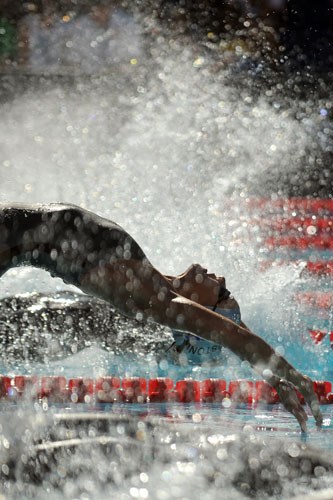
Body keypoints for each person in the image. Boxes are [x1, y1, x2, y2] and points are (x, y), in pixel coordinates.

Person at [0, 202, 322, 432]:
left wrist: (294, 376)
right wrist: (273, 377)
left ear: (196, 312)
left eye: (222, 294)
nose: (222, 281)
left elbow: (231, 335)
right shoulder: (153, 281)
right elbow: (233, 330)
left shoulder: (154, 301)